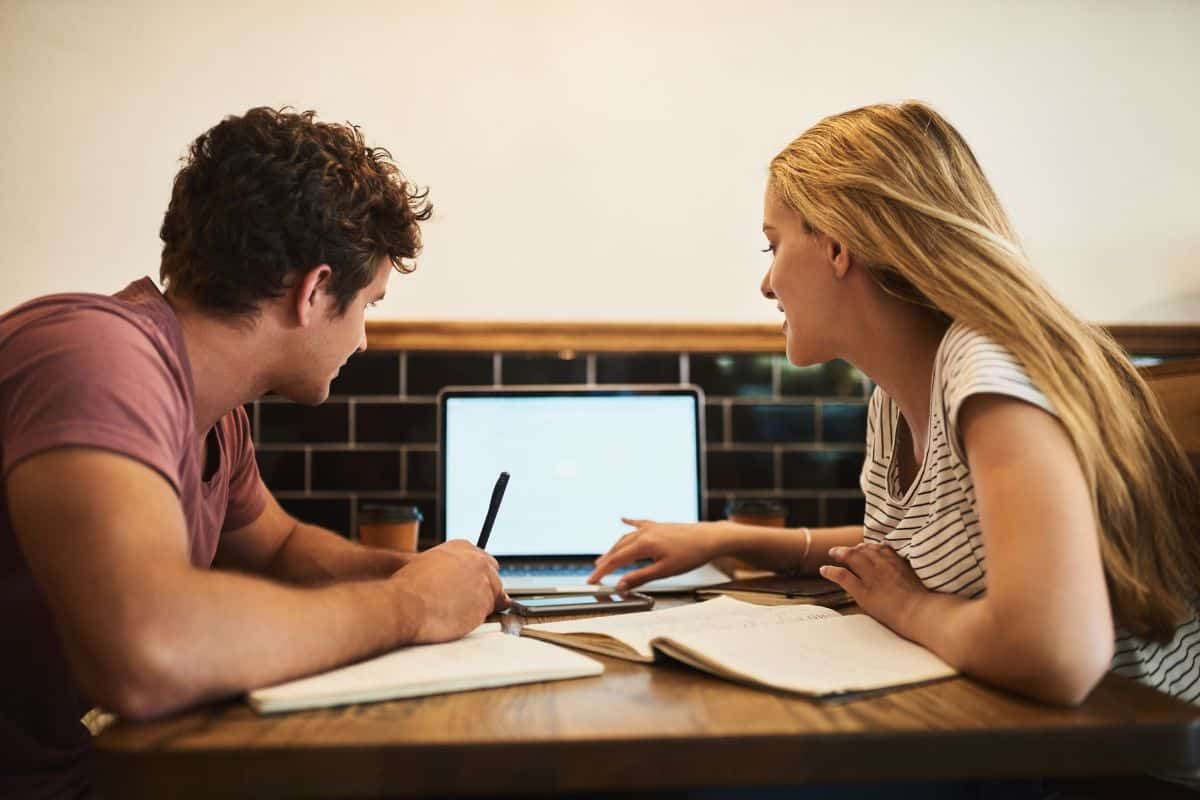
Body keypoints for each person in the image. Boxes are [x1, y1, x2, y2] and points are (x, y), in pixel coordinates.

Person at [590, 101, 1200, 709]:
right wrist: (727, 538)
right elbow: (933, 547)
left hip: (1129, 764)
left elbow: (1054, 655)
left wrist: (909, 608)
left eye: (772, 247)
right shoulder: (895, 396)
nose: (767, 284)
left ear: (837, 246)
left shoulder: (989, 372)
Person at [0, 107, 508, 798]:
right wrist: (409, 606)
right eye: (371, 306)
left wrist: (429, 578)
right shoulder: (96, 356)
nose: (363, 340)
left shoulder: (215, 410)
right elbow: (148, 652)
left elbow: (279, 550)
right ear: (315, 291)